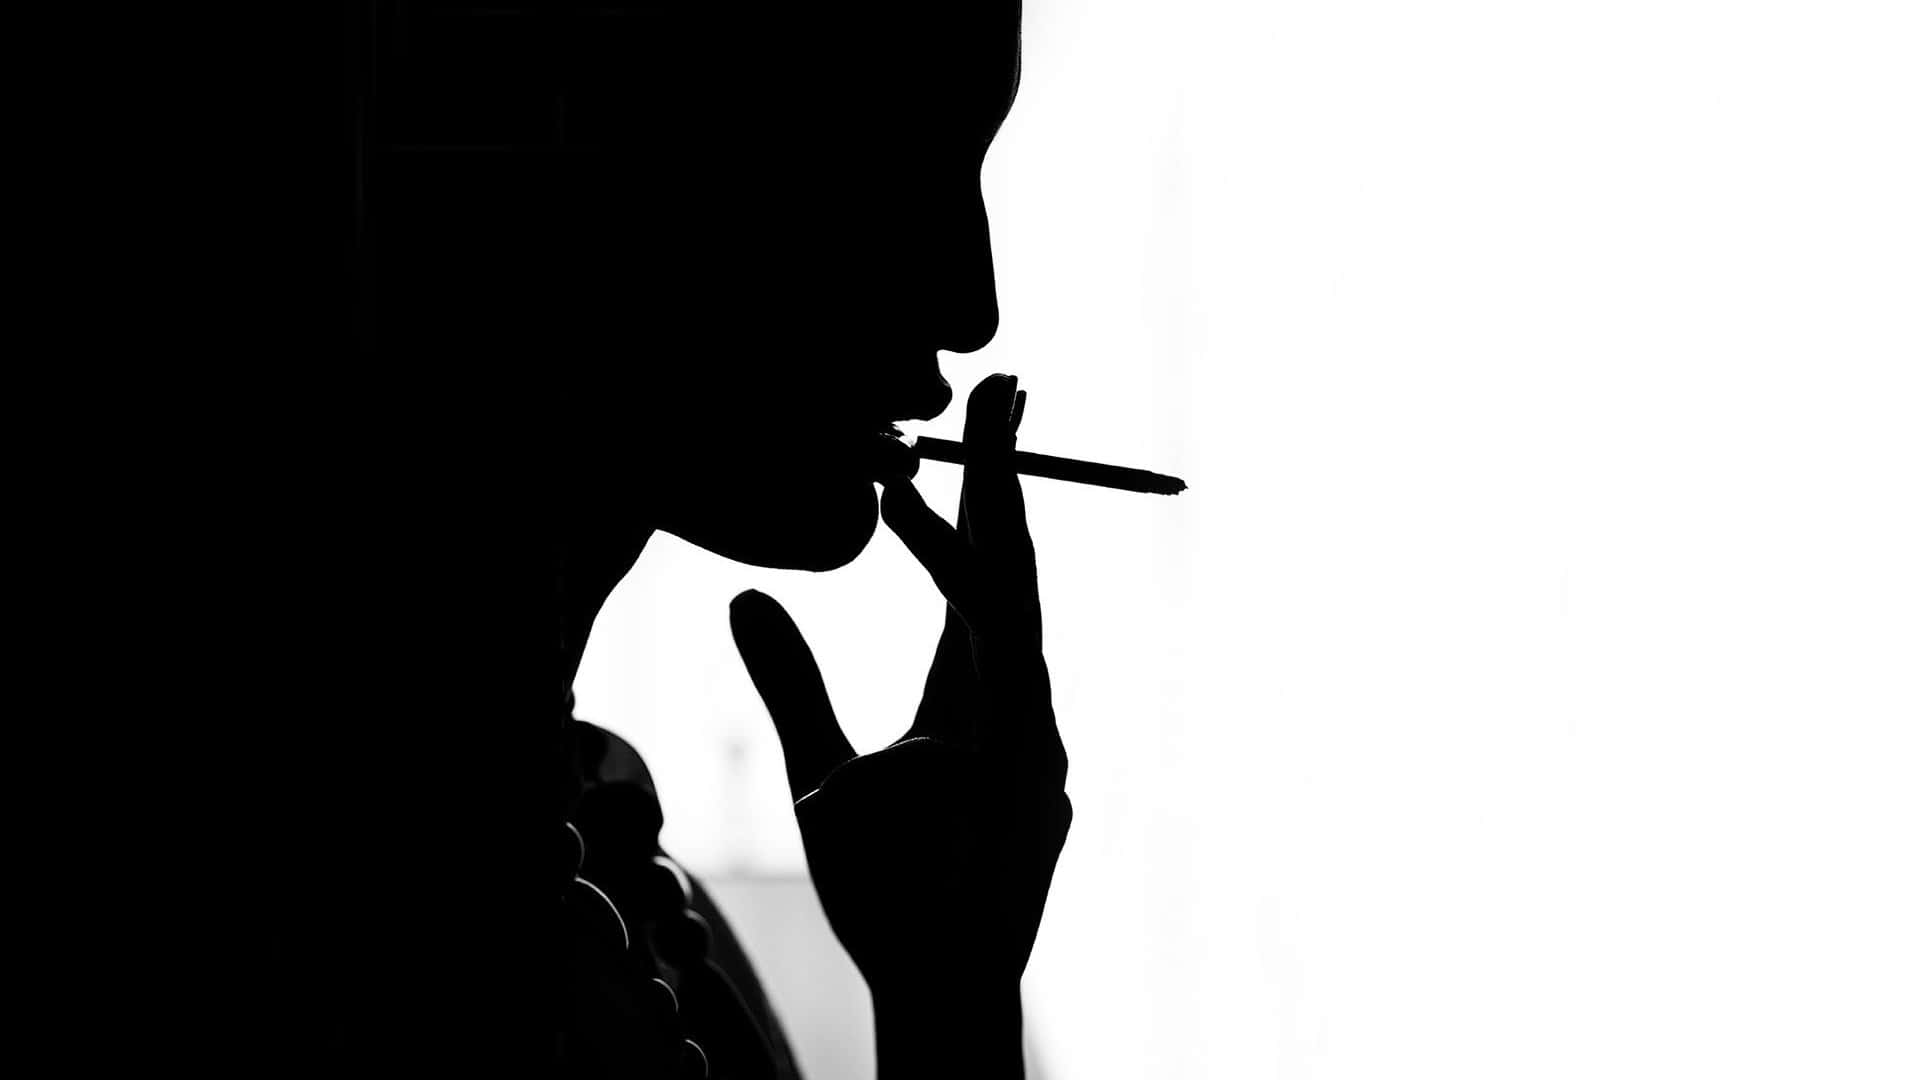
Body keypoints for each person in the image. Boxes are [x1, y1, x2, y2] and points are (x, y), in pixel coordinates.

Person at [327, 1, 1069, 1074]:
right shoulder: (398, 911)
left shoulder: (620, 891)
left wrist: (945, 995)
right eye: (887, 153)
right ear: (595, 134)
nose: (972, 301)